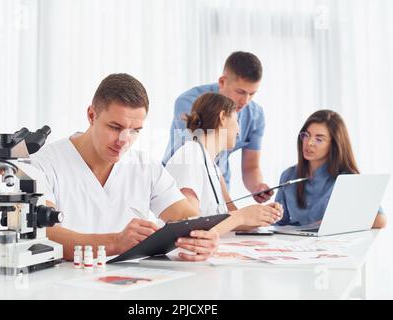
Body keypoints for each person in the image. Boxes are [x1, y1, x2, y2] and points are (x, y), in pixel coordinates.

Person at [31, 73, 219, 262]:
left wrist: (204, 237)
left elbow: (187, 218)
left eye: (135, 130)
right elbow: (42, 233)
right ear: (91, 115)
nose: (124, 141)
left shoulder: (146, 167)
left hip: (129, 283)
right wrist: (115, 243)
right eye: (114, 127)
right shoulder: (44, 164)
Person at [163, 51, 273, 203]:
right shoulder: (190, 102)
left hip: (218, 187)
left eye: (252, 94)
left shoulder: (255, 114)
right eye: (240, 92)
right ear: (222, 82)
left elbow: (250, 166)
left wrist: (258, 187)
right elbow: (200, 154)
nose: (245, 101)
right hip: (183, 184)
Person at [165, 92, 283, 234]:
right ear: (222, 118)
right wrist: (242, 216)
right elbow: (188, 227)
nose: (239, 130)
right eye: (237, 121)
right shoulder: (190, 156)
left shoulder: (213, 167)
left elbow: (230, 219)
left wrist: (262, 214)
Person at [275, 110, 386, 228]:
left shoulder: (347, 179)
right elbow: (281, 222)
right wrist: (272, 213)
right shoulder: (288, 175)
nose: (309, 143)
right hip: (293, 244)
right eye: (306, 135)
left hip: (332, 244)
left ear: (334, 144)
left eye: (319, 139)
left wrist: (328, 224)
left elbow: (380, 220)